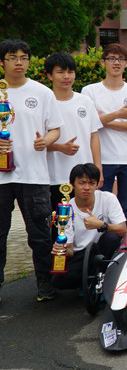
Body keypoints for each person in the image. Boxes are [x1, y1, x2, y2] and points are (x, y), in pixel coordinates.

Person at [0, 39, 63, 302]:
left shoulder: (42, 92)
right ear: (2, 62)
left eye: (24, 57)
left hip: (34, 175)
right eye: (12, 57)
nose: (19, 62)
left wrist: (45, 141)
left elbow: (55, 128)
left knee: (39, 234)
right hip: (2, 178)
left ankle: (45, 284)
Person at [82, 42, 127, 224]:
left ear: (126, 63)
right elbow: (88, 123)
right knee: (99, 208)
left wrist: (103, 119)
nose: (116, 62)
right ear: (103, 62)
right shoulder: (90, 91)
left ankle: (123, 241)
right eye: (111, 58)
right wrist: (118, 114)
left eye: (121, 59)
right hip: (103, 159)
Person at [49, 163, 127, 292]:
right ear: (72, 185)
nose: (87, 187)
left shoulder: (108, 198)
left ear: (97, 185)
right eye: (82, 183)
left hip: (105, 250)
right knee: (59, 280)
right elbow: (70, 249)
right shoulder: (66, 209)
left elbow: (123, 230)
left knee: (111, 237)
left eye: (91, 183)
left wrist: (102, 225)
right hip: (82, 254)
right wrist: (62, 250)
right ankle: (89, 282)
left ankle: (105, 281)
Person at [43, 52, 101, 211]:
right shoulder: (44, 103)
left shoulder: (85, 101)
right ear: (50, 76)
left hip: (85, 178)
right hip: (55, 177)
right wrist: (60, 147)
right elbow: (37, 142)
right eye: (60, 72)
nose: (66, 76)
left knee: (86, 219)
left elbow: (94, 136)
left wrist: (98, 168)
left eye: (70, 72)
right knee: (58, 221)